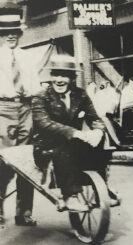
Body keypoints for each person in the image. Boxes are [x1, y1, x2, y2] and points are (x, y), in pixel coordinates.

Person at [32, 54, 119, 212]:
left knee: (98, 142)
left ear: (72, 78)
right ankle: (70, 196)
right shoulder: (41, 97)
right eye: (56, 74)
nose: (59, 80)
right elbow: (43, 123)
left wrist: (98, 132)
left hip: (72, 146)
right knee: (67, 146)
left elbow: (94, 118)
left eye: (64, 75)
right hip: (47, 148)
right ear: (51, 77)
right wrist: (74, 132)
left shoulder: (81, 95)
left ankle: (102, 189)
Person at [0, 2, 41, 226]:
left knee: (27, 159)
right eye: (6, 33)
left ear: (19, 34)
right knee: (3, 160)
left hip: (26, 108)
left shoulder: (28, 57)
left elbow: (35, 87)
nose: (10, 37)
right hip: (2, 110)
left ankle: (23, 212)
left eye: (14, 32)